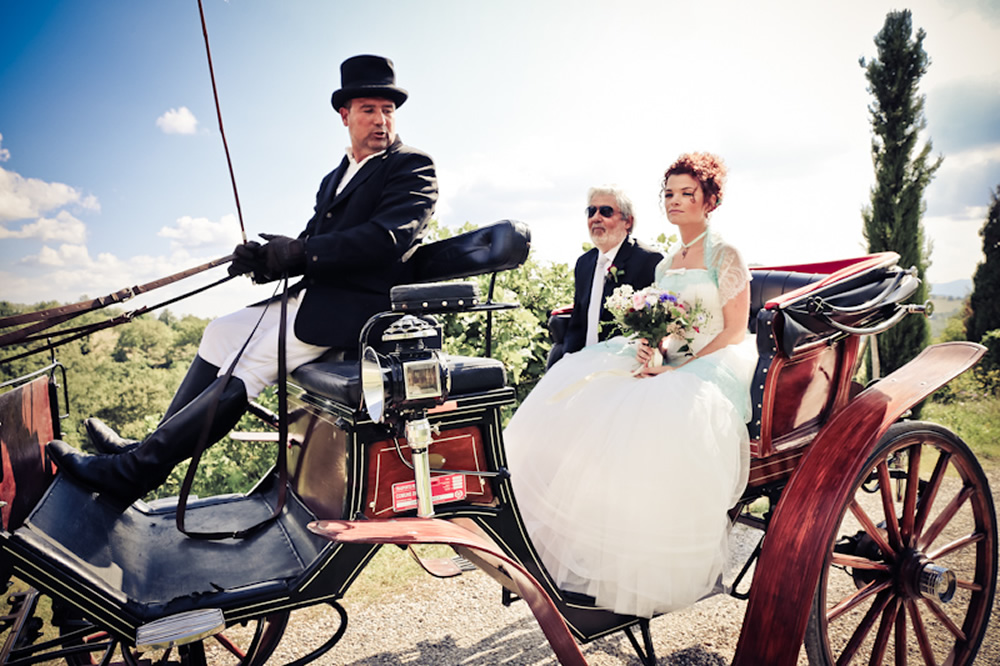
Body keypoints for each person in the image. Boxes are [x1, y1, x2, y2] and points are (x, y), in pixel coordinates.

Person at [48, 54, 438, 505]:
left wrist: (300, 252)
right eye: (369, 109)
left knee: (247, 363)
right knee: (220, 333)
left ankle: (135, 471)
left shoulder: (411, 165)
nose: (381, 121)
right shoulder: (335, 177)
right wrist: (267, 261)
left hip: (356, 311)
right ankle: (145, 452)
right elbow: (315, 244)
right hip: (318, 297)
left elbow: (385, 239)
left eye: (388, 110)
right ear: (344, 114)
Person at [505, 152, 755, 618]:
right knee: (588, 388)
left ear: (710, 200)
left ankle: (643, 556)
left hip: (714, 359)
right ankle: (574, 542)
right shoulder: (667, 264)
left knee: (654, 412)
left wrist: (679, 366)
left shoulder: (725, 254)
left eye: (687, 194)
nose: (675, 202)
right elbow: (663, 329)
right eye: (669, 194)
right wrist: (654, 351)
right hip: (672, 356)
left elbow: (734, 330)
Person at [555, 186, 663, 363]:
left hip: (625, 363)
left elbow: (656, 325)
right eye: (591, 211)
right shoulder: (584, 263)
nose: (596, 218)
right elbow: (577, 324)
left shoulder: (648, 261)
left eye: (606, 211)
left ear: (628, 221)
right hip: (582, 362)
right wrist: (567, 360)